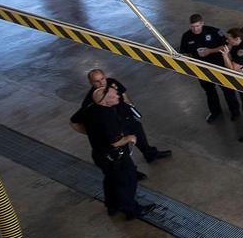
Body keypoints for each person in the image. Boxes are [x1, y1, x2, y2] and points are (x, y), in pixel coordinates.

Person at [70, 86, 155, 220]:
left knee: (110, 180)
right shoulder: (107, 116)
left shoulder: (90, 107)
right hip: (114, 157)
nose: (118, 96)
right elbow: (116, 142)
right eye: (114, 95)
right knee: (127, 180)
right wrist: (130, 138)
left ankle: (112, 206)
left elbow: (74, 121)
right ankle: (132, 210)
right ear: (104, 101)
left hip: (99, 155)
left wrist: (93, 134)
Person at [82, 69, 172, 165]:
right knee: (124, 151)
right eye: (97, 81)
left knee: (140, 136)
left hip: (127, 117)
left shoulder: (112, 82)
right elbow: (83, 122)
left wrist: (131, 107)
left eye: (102, 79)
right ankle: (131, 169)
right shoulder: (91, 99)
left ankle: (150, 154)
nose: (101, 83)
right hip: (116, 127)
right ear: (91, 83)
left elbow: (124, 95)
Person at [179, 14, 240, 123]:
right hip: (202, 69)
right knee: (209, 91)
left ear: (202, 23)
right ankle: (215, 112)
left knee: (228, 89)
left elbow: (226, 46)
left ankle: (235, 111)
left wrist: (209, 51)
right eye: (192, 26)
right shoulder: (186, 36)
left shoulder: (213, 31)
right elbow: (184, 52)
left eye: (197, 26)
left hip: (219, 66)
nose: (195, 29)